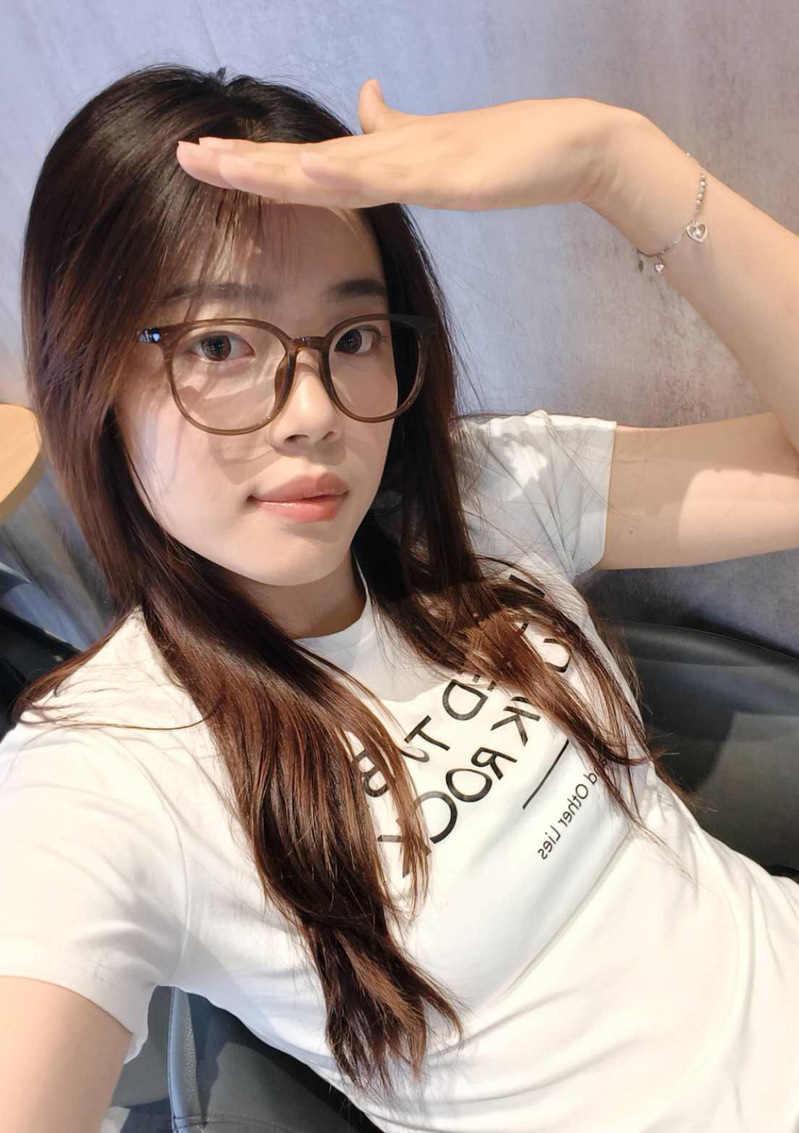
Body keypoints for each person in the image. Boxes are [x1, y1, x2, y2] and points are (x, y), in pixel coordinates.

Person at [1, 62, 798, 1133]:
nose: (312, 411)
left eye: (354, 336)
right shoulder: (109, 766)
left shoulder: (479, 498)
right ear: (89, 375)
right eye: (220, 344)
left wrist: (617, 163)